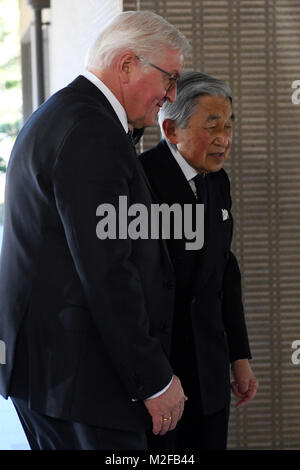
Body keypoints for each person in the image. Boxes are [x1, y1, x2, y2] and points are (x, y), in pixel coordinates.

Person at [0, 11, 191, 450]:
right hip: (80, 382)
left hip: (62, 378)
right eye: (169, 78)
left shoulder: (75, 114)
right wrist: (155, 380)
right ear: (126, 65)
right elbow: (107, 270)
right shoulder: (90, 130)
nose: (172, 95)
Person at [139, 71, 258, 450]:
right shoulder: (140, 181)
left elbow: (225, 271)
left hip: (209, 368)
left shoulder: (216, 181)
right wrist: (152, 378)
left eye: (229, 125)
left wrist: (239, 357)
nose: (224, 139)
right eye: (212, 126)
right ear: (171, 130)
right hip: (160, 373)